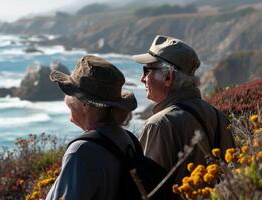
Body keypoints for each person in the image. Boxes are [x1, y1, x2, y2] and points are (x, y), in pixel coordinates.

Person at [132, 35, 235, 184]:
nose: (143, 78)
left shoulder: (159, 125)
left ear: (168, 77)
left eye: (147, 70)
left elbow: (148, 188)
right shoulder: (220, 117)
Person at [46, 55, 138, 200]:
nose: (66, 98)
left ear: (85, 104)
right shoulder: (128, 139)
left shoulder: (80, 152)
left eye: (70, 92)